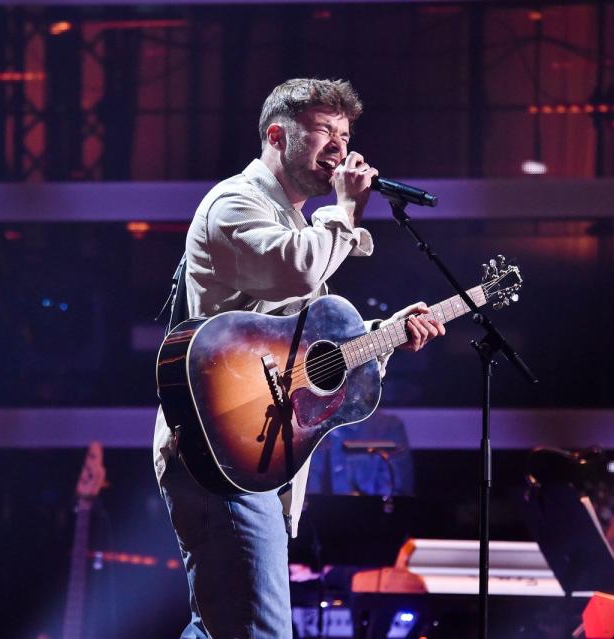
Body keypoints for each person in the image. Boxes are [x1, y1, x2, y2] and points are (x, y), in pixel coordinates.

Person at [153, 78, 445, 639]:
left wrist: (386, 336)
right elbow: (301, 269)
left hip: (257, 456)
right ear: (277, 136)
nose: (339, 148)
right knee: (258, 631)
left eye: (345, 134)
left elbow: (308, 355)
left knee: (219, 627)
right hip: (219, 453)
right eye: (323, 133)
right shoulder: (235, 203)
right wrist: (344, 211)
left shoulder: (294, 220)